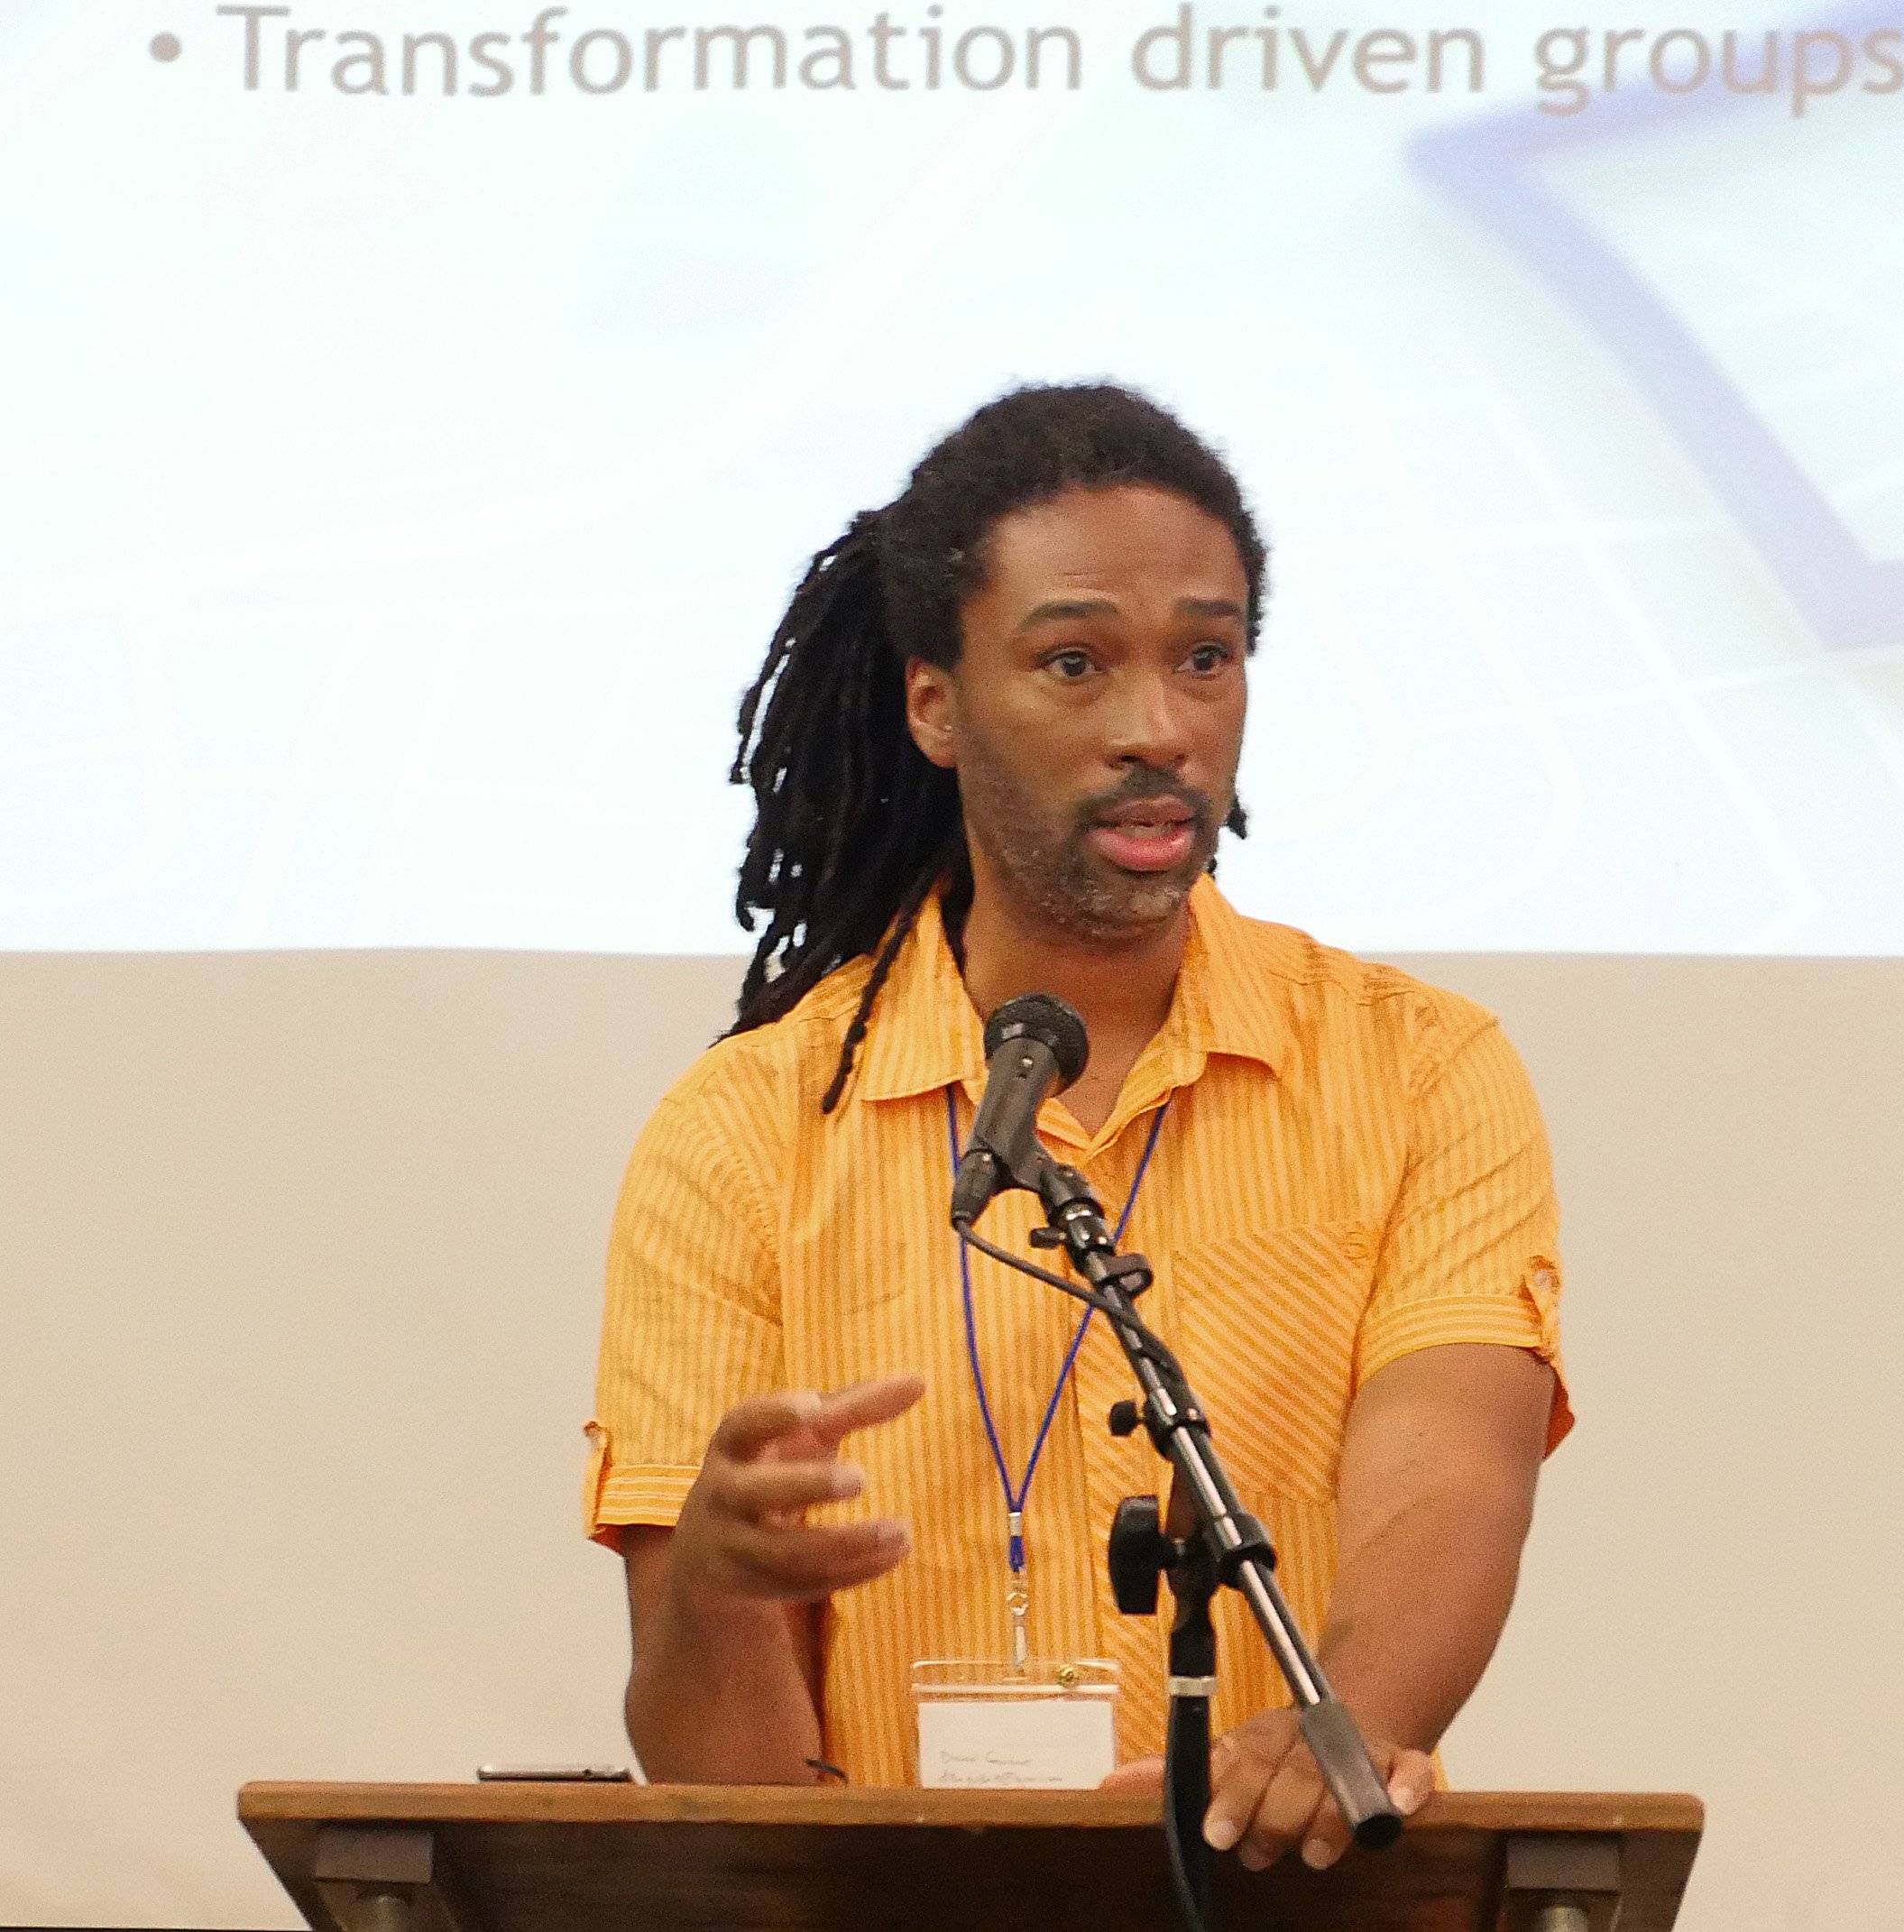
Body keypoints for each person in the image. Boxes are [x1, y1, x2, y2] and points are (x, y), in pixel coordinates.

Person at [584, 382, 1569, 1872]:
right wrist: (719, 1592)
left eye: (1205, 658)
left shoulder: (1420, 1069)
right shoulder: (743, 1132)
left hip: (1275, 1899)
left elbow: (1453, 1474)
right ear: (935, 700)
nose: (1157, 728)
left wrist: (1341, 1711)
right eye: (1072, 662)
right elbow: (723, 1782)